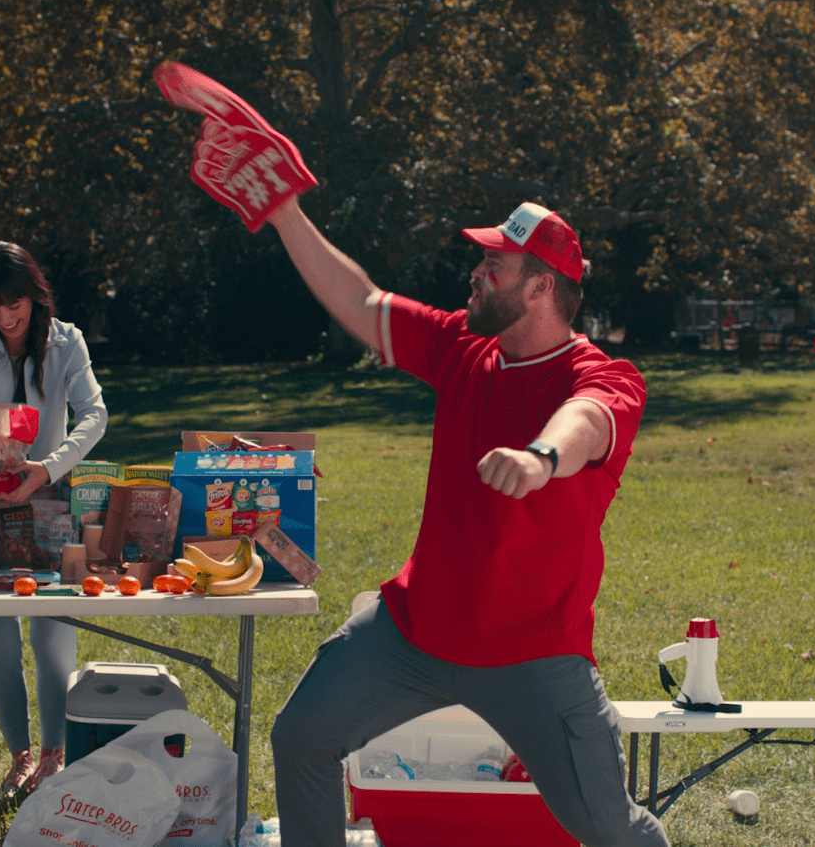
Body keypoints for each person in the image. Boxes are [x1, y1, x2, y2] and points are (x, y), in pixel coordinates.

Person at [262, 199, 670, 847]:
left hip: (535, 654)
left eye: (494, 264)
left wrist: (540, 459)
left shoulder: (600, 374)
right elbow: (364, 303)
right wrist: (285, 213)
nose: (477, 273)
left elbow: (589, 421)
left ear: (541, 286)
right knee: (302, 736)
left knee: (607, 827)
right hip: (414, 632)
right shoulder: (463, 345)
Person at [0, 240, 108, 796]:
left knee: (50, 630)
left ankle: (55, 756)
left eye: (15, 305)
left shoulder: (66, 341)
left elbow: (95, 414)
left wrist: (49, 468)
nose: (5, 318)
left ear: (35, 296)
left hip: (50, 502)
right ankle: (19, 756)